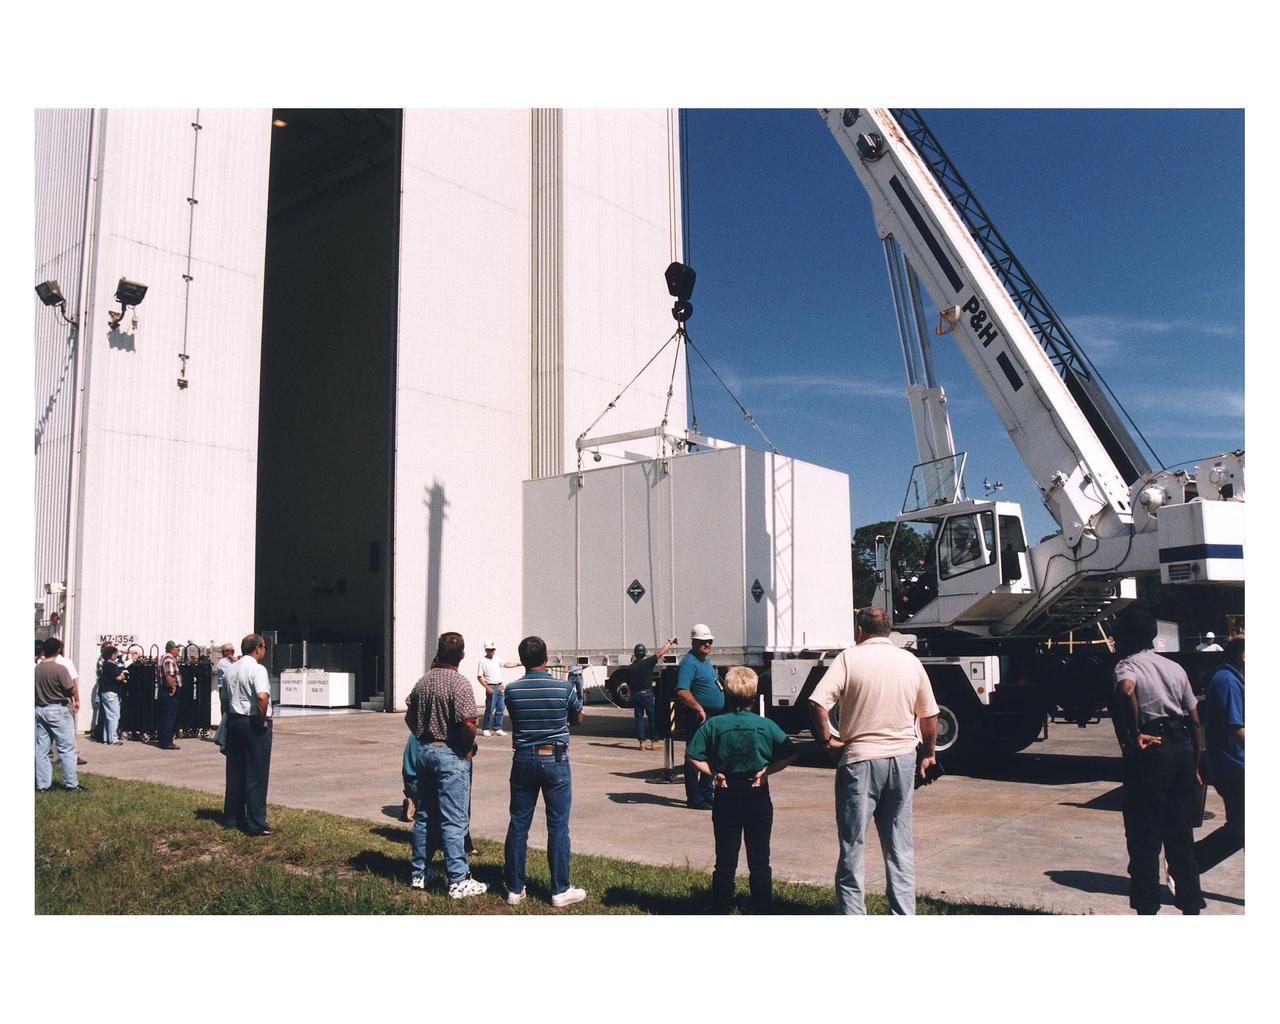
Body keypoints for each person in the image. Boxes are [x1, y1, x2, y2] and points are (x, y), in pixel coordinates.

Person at [807, 606, 939, 915]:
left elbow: (817, 703)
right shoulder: (910, 661)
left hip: (860, 759)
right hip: (903, 758)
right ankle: (903, 914)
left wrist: (827, 741)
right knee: (899, 845)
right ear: (889, 632)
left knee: (853, 845)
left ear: (859, 631)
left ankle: (854, 916)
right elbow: (929, 714)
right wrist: (929, 754)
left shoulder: (848, 659)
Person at [1109, 607, 1204, 915]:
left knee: (1144, 834)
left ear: (1126, 637)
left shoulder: (1127, 665)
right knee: (1180, 834)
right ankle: (1191, 903)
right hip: (1183, 748)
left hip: (1154, 747)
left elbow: (1126, 690)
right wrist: (1197, 764)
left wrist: (1135, 732)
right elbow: (1195, 719)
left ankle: (1147, 906)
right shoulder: (1174, 667)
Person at [685, 666, 796, 913]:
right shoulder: (765, 725)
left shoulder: (714, 725)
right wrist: (767, 771)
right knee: (759, 858)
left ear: (726, 693)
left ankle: (721, 904)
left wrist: (713, 773)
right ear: (754, 695)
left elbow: (692, 755)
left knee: (725, 858)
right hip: (757, 793)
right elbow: (790, 752)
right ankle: (762, 905)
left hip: (726, 793)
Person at [502, 635, 587, 908]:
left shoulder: (512, 691)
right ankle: (559, 888)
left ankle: (515, 888)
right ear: (546, 658)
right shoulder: (563, 688)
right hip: (555, 759)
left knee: (518, 824)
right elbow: (578, 717)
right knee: (558, 825)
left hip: (523, 759)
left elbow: (517, 717)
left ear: (522, 660)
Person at [405, 631, 486, 899]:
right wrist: (465, 748)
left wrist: (421, 733)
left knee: (425, 816)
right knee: (454, 820)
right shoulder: (459, 684)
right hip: (450, 754)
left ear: (438, 652)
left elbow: (410, 716)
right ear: (462, 655)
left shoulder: (424, 681)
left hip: (425, 751)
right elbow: (468, 723)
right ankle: (457, 879)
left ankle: (419, 873)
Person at [1195, 636, 1245, 872]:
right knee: (1241, 829)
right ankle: (1188, 862)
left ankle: (1187, 863)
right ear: (1242, 655)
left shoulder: (1234, 679)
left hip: (1238, 765)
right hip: (1235, 767)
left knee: (1242, 829)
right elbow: (1235, 728)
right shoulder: (1227, 682)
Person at [223, 634, 275, 836]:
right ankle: (256, 823)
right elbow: (262, 697)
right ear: (259, 648)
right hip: (253, 722)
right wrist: (261, 722)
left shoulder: (231, 669)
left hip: (234, 721)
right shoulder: (257, 669)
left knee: (235, 771)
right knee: (256, 773)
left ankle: (232, 817)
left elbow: (224, 700)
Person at [675, 623, 724, 808]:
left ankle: (707, 793)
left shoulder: (706, 661)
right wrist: (698, 708)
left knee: (710, 755)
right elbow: (682, 690)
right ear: (694, 642)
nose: (707, 645)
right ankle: (694, 798)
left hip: (712, 717)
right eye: (703, 642)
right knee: (694, 756)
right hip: (699, 718)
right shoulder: (689, 663)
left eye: (709, 641)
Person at [36, 638, 85, 792]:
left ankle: (43, 784)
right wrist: (76, 701)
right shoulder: (60, 669)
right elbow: (71, 688)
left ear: (44, 650)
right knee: (67, 748)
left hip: (41, 709)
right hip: (58, 709)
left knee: (41, 750)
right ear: (58, 650)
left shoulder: (36, 669)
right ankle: (71, 784)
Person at [628, 636, 676, 749]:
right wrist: (670, 643)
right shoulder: (648, 663)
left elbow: (629, 684)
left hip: (636, 694)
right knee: (652, 718)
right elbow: (661, 653)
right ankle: (654, 741)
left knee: (639, 718)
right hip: (647, 694)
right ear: (644, 653)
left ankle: (641, 742)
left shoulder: (631, 667)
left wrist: (631, 695)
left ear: (635, 654)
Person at [477, 641, 518, 737]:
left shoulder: (497, 658)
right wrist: (487, 687)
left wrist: (518, 664)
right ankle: (486, 728)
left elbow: (506, 664)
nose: (492, 652)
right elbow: (479, 676)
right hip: (491, 686)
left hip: (499, 686)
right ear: (486, 650)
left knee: (500, 708)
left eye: (493, 650)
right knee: (489, 709)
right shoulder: (482, 661)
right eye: (490, 650)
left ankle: (498, 728)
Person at [96, 644, 128, 745]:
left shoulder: (107, 665)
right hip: (111, 693)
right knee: (114, 715)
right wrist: (123, 675)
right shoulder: (110, 665)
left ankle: (106, 738)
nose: (116, 655)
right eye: (115, 653)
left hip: (107, 692)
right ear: (110, 654)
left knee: (108, 716)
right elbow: (119, 677)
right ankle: (113, 739)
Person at [156, 640, 182, 749]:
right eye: (177, 649)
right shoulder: (169, 659)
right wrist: (173, 687)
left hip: (163, 691)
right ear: (172, 649)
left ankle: (163, 740)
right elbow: (169, 675)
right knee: (169, 716)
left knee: (164, 716)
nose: (179, 651)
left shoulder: (163, 658)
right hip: (168, 691)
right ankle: (167, 742)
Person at [214, 643, 237, 754]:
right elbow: (234, 671)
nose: (230, 653)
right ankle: (223, 736)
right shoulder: (223, 663)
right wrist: (236, 661)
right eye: (228, 651)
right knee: (225, 712)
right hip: (225, 690)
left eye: (232, 651)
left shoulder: (230, 662)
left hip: (230, 689)